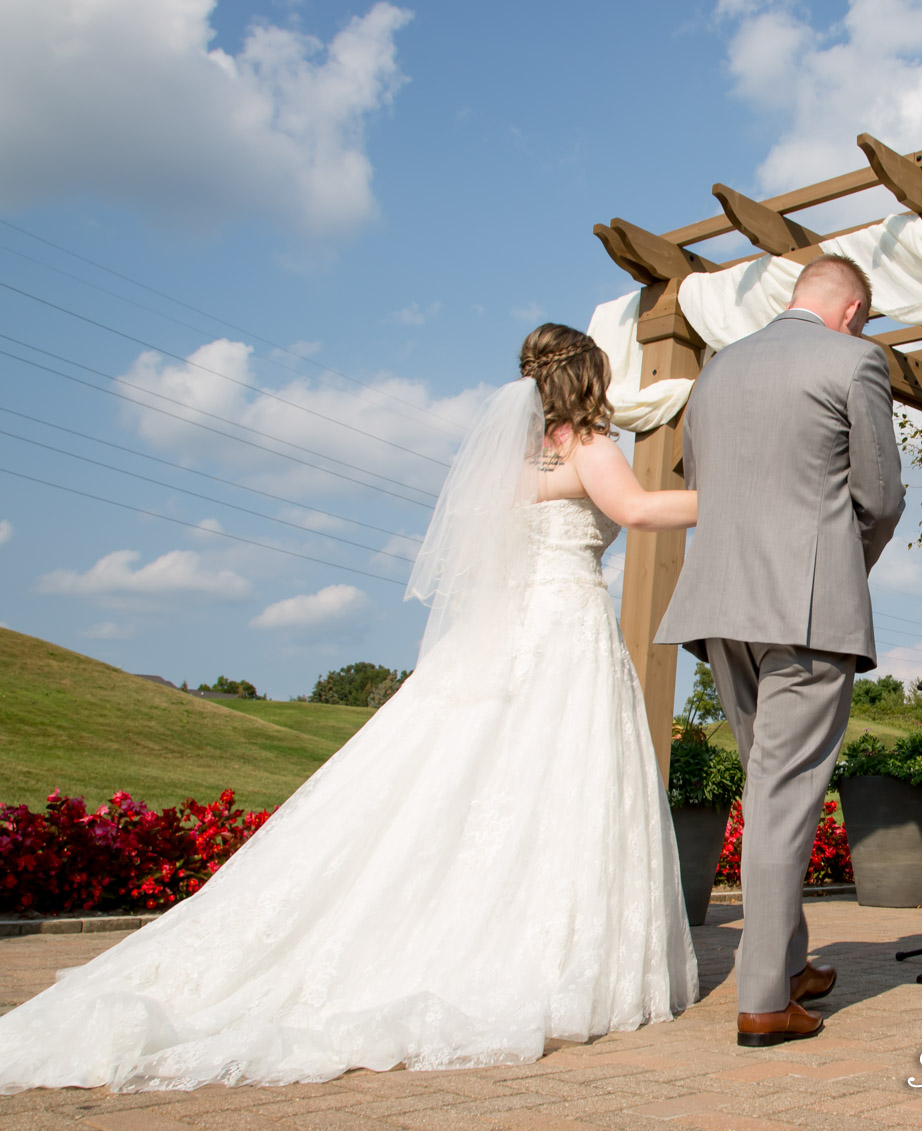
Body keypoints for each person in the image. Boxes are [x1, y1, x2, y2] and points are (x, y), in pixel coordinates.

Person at [0, 324, 700, 1092]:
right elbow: (634, 511)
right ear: (588, 379)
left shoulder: (509, 461)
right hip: (566, 633)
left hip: (504, 637)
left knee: (478, 781)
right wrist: (728, 498)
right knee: (560, 784)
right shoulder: (592, 446)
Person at [656, 255, 905, 1046]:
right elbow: (881, 496)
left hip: (719, 608)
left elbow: (705, 480)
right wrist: (838, 565)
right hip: (805, 611)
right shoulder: (856, 359)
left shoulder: (717, 370)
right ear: (853, 310)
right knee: (783, 796)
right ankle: (765, 1000)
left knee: (771, 791)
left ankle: (790, 961)